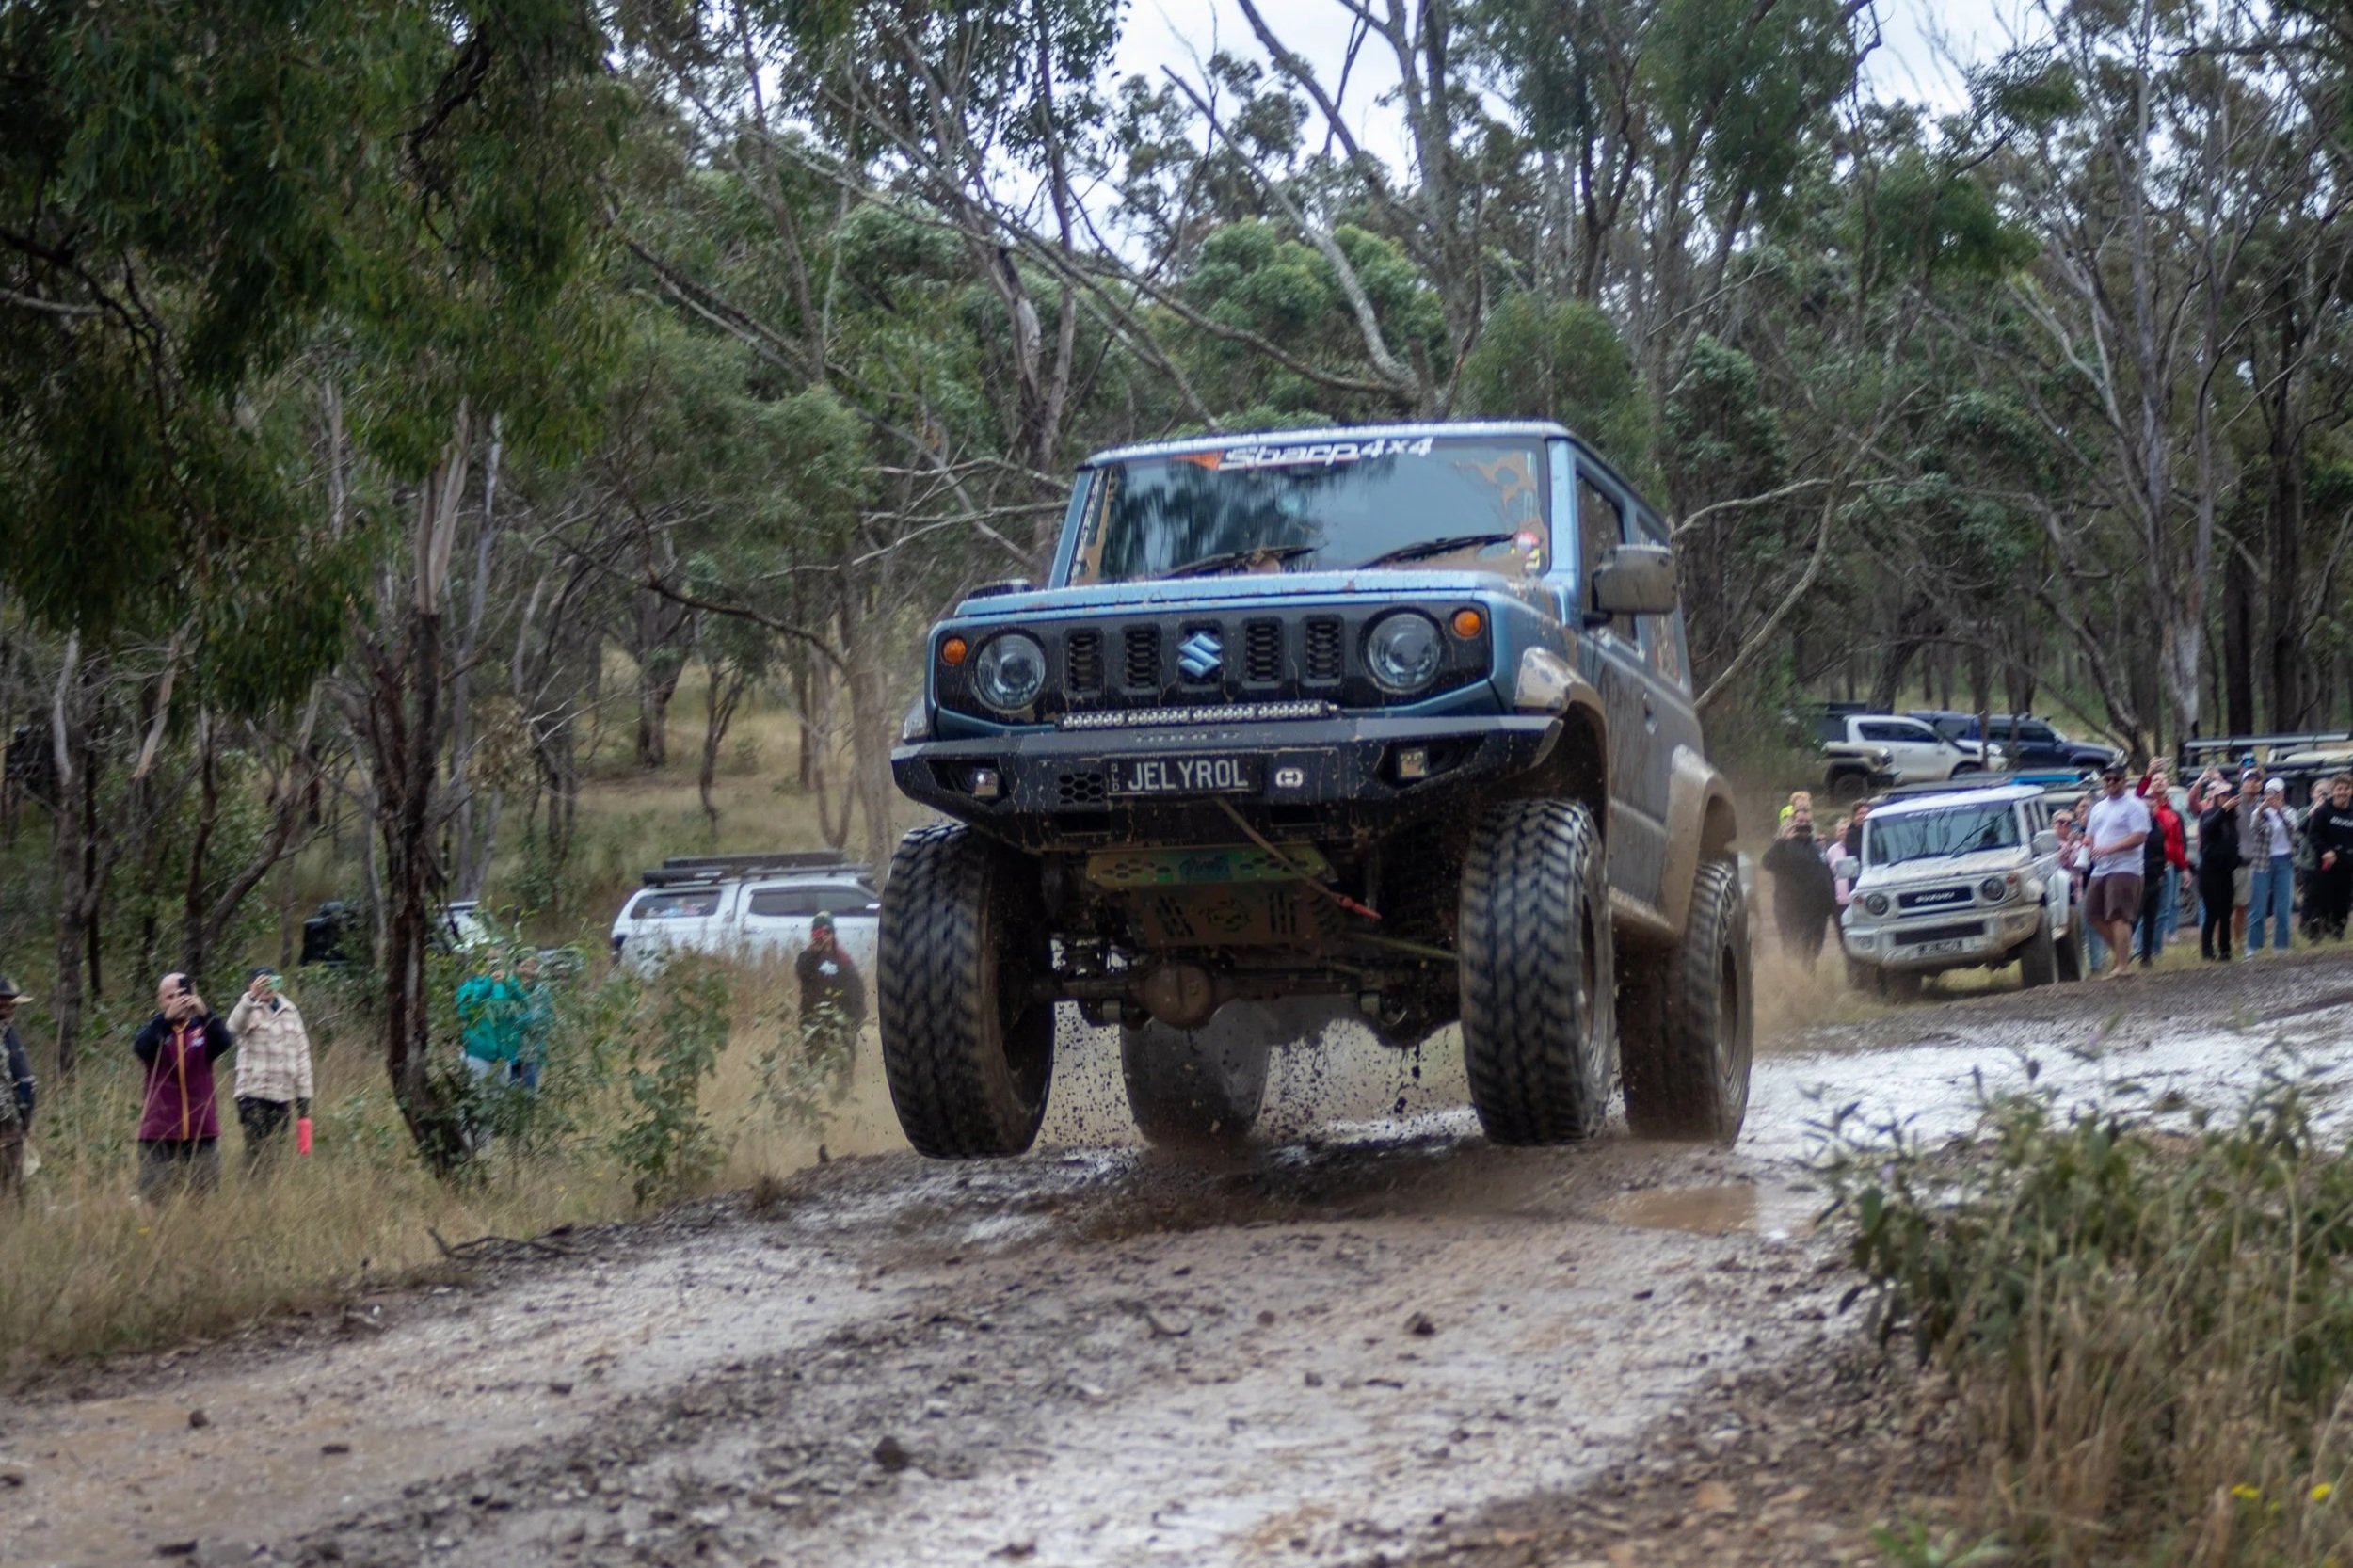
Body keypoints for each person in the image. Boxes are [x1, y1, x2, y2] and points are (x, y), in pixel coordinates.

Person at [135, 972, 234, 1198]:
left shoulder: (204, 1030)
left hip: (201, 1129)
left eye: (183, 995)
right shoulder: (154, 1030)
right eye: (171, 997)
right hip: (159, 1130)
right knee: (155, 1198)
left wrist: (205, 1013)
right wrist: (165, 1020)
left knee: (204, 1198)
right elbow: (142, 1049)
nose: (178, 1001)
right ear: (160, 1001)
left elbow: (225, 1042)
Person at [227, 968, 312, 1174]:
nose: (267, 988)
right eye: (261, 983)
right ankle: (250, 1193)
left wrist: (304, 1097)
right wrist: (250, 998)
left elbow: (302, 1054)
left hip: (282, 1096)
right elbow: (231, 1028)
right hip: (252, 1094)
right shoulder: (247, 1009)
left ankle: (264, 1196)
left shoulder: (290, 1011)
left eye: (271, 983)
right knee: (255, 1150)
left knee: (274, 1153)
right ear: (252, 985)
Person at [2084, 764, 2151, 980]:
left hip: (2126, 868)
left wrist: (2110, 848)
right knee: (2093, 913)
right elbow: (2091, 835)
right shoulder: (2098, 808)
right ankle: (2122, 953)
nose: (2111, 783)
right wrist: (2087, 844)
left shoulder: (2134, 806)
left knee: (2118, 915)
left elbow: (2140, 836)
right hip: (2100, 867)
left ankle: (2122, 966)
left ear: (2124, 781)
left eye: (2115, 779)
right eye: (2107, 780)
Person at [455, 960, 527, 1145]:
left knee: (493, 1105)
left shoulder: (506, 985)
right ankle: (467, 1147)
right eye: (488, 962)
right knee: (474, 1102)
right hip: (476, 1054)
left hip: (502, 1058)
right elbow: (465, 1012)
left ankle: (485, 1150)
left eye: (497, 962)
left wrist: (510, 982)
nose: (493, 967)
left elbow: (525, 1004)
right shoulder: (469, 986)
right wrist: (487, 983)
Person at [1763, 808, 1839, 970]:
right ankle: (1797, 987)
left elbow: (1825, 874)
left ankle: (1808, 985)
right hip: (1794, 911)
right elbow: (1767, 863)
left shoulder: (1816, 847)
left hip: (1818, 912)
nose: (1804, 825)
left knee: (1814, 952)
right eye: (1800, 822)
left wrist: (1830, 907)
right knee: (1797, 953)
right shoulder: (1783, 845)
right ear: (1792, 823)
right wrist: (1783, 840)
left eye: (1807, 822)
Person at [2135, 776, 2188, 967]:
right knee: (2140, 911)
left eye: (2163, 779)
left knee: (2162, 910)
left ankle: (2154, 950)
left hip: (2167, 866)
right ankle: (2138, 948)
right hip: (2143, 870)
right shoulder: (2140, 816)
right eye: (2155, 780)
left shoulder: (2172, 813)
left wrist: (2183, 867)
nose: (2160, 783)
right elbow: (2138, 795)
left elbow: (2180, 843)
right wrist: (2148, 775)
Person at [2247, 778, 2299, 954]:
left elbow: (2293, 828)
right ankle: (2253, 947)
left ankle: (2281, 946)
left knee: (2283, 907)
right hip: (2263, 863)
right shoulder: (2260, 813)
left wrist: (2280, 812)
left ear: (2282, 794)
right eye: (2269, 793)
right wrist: (2262, 809)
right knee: (2258, 907)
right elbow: (2254, 828)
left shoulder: (2290, 812)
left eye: (2276, 793)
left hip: (2284, 861)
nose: (2272, 796)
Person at [2196, 776, 2243, 963]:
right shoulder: (2209, 814)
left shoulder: (2232, 819)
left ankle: (2225, 950)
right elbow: (2208, 828)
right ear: (2215, 797)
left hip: (2226, 872)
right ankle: (2207, 951)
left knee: (2226, 913)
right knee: (2212, 913)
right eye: (2222, 795)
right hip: (2209, 872)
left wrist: (2236, 859)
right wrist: (2223, 810)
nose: (2226, 797)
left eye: (2228, 794)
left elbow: (2234, 842)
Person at [2306, 773, 2353, 941]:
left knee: (2343, 903)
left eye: (2346, 788)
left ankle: (2337, 936)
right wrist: (2325, 850)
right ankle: (2317, 936)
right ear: (2333, 791)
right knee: (2323, 902)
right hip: (2326, 866)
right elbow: (2313, 835)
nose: (2343, 792)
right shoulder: (2323, 811)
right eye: (2339, 789)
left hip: (2347, 867)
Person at [0, 977, 35, 1201]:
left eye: (12, 1004)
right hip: (5, 1120)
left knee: (14, 1181)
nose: (9, 1009)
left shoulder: (9, 1032)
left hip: (13, 1119)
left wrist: (26, 1119)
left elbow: (24, 1081)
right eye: (4, 1004)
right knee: (12, 1187)